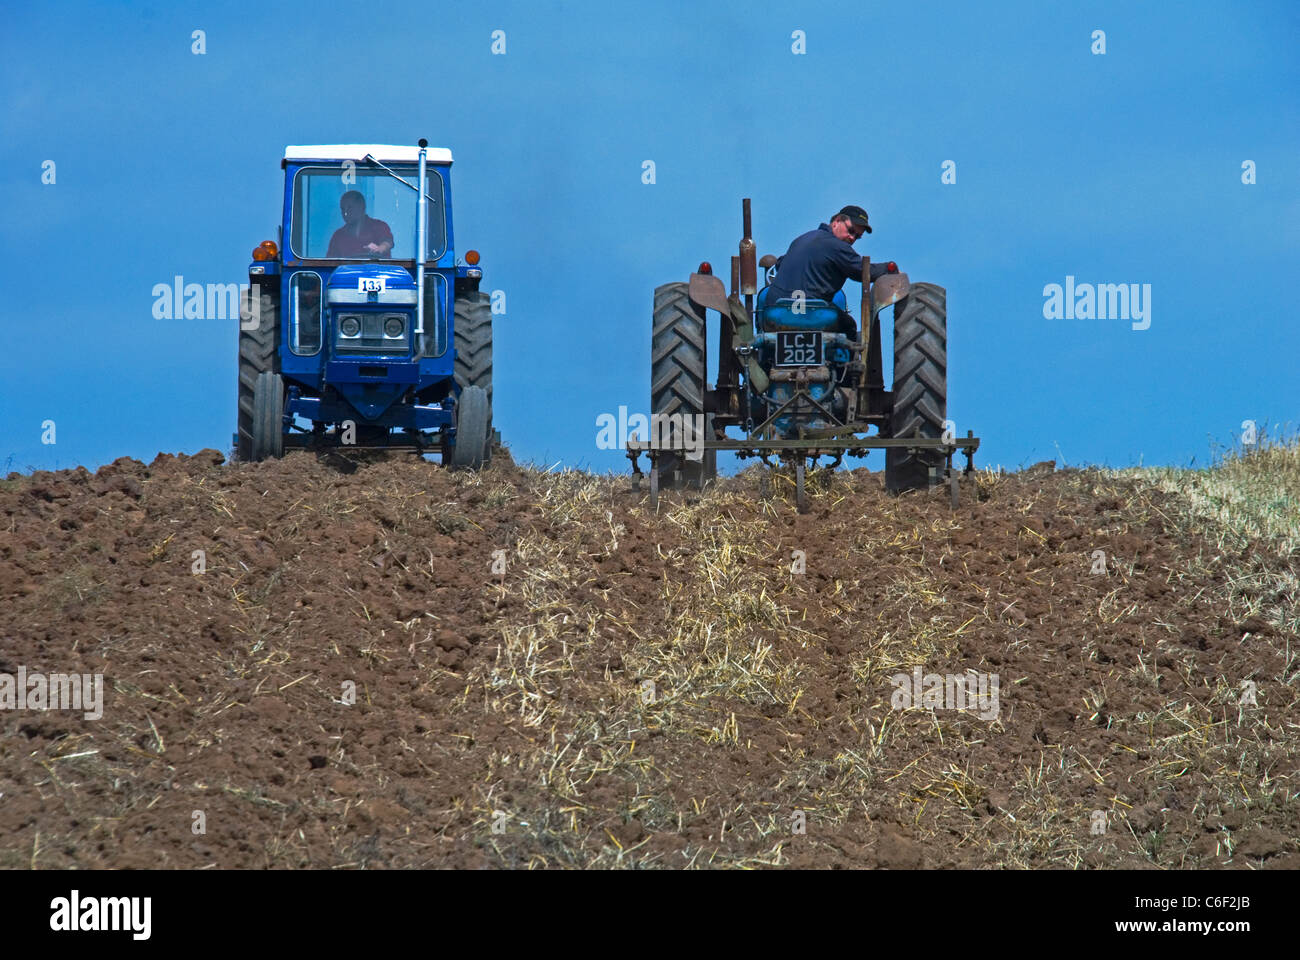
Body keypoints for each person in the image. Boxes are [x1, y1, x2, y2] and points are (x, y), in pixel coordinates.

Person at [765, 206, 896, 329]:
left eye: (857, 237)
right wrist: (889, 268)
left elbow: (780, 263)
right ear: (837, 221)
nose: (852, 238)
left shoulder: (802, 239)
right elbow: (862, 271)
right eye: (851, 231)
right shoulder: (837, 246)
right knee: (849, 326)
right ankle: (846, 353)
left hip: (774, 310)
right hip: (810, 312)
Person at [326, 190, 394, 258]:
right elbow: (330, 263)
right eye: (343, 209)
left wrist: (380, 249)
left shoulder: (379, 226)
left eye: (350, 208)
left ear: (362, 207)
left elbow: (387, 242)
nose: (345, 213)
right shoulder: (338, 236)